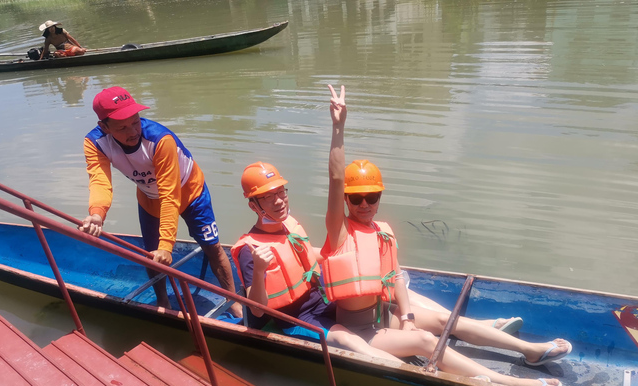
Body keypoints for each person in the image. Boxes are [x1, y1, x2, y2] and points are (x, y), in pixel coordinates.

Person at [322, 84, 572, 386]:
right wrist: (338, 127)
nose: (364, 204)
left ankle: (529, 350)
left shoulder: (382, 230)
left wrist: (409, 316)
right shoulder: (340, 231)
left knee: (441, 319)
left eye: (371, 196)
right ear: (346, 200)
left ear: (379, 196)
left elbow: (395, 275)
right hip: (362, 330)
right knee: (426, 342)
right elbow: (334, 179)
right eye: (356, 198)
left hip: (384, 315)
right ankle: (514, 383)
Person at [79, 86, 242, 317]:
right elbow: (99, 182)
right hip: (149, 197)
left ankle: (232, 301)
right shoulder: (95, 143)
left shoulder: (160, 139)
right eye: (122, 127)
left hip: (190, 192)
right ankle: (163, 302)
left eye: (135, 121)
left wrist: (167, 245)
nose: (133, 130)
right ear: (104, 127)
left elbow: (170, 195)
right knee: (152, 255)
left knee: (212, 246)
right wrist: (97, 214)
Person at [231, 161, 403, 362]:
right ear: (253, 205)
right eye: (268, 197)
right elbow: (257, 309)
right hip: (296, 317)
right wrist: (259, 270)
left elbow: (308, 256)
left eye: (280, 193)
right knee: (346, 339)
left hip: (322, 299)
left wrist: (354, 254)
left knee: (375, 299)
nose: (278, 201)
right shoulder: (249, 250)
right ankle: (407, 371)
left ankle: (407, 331)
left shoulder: (286, 226)